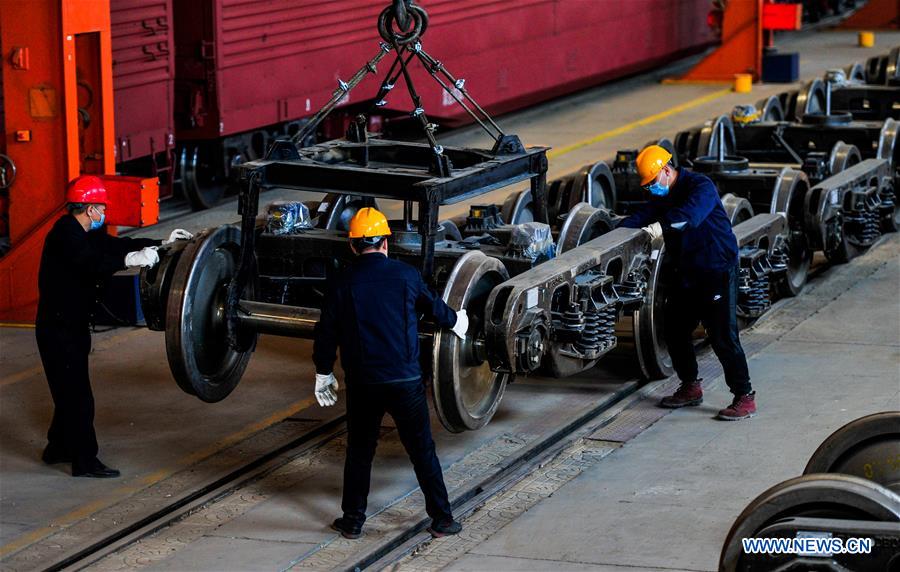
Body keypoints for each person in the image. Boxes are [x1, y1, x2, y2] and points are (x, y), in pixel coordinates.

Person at [312, 207, 468, 539]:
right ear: (386, 242)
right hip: (405, 382)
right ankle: (442, 519)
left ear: (353, 247)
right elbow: (435, 308)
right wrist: (456, 321)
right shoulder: (406, 275)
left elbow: (326, 333)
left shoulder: (341, 284)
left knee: (359, 452)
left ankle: (353, 521)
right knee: (422, 450)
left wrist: (323, 372)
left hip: (363, 384)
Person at [37, 175, 193, 477]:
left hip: (73, 325)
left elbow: (116, 245)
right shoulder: (65, 235)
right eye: (101, 208)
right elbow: (90, 261)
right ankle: (84, 461)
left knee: (68, 386)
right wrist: (131, 260)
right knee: (78, 395)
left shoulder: (84, 231)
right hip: (59, 329)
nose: (103, 213)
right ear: (90, 208)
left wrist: (163, 245)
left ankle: (57, 447)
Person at [619, 145, 756, 421]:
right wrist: (616, 234)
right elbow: (643, 215)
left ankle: (744, 396)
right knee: (674, 329)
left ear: (667, 170)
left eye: (652, 183)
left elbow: (689, 218)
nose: (651, 190)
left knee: (722, 337)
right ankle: (690, 386)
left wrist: (660, 228)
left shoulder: (700, 186)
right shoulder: (664, 194)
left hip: (716, 269)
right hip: (687, 271)